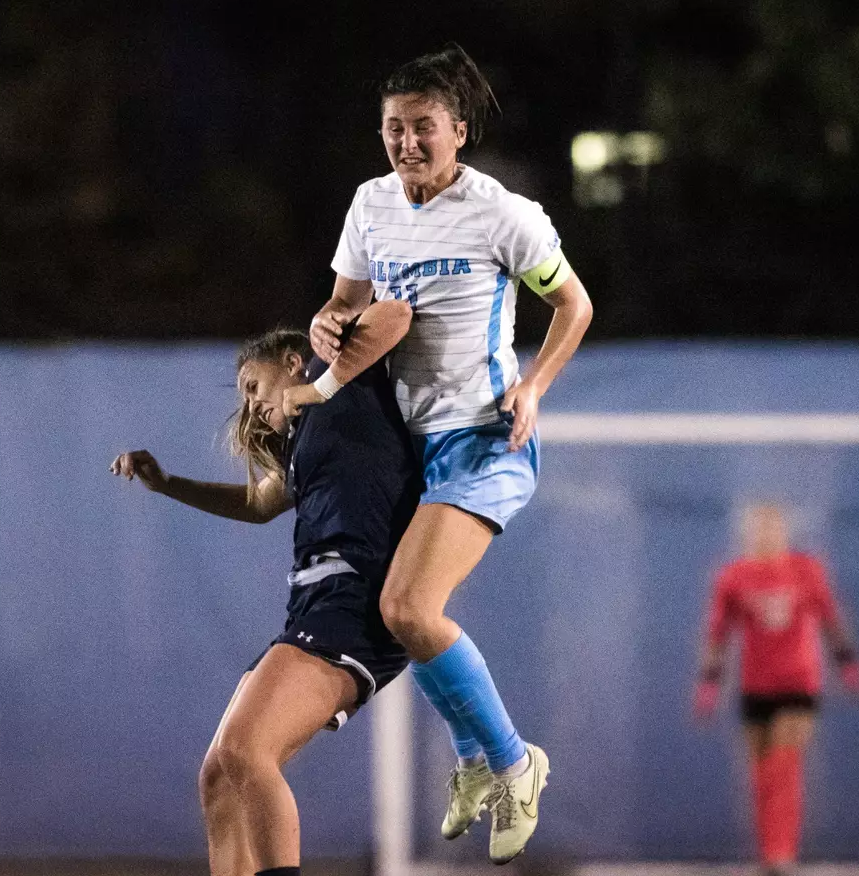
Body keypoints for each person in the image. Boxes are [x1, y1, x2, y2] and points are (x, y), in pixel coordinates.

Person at [309, 44, 594, 862]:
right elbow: (341, 307)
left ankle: (513, 761)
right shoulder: (370, 205)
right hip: (410, 449)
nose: (406, 142)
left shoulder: (503, 212)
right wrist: (329, 324)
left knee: (405, 610)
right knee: (409, 620)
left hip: (484, 440)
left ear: (458, 131)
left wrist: (535, 387)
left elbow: (574, 303)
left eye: (423, 127)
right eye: (393, 128)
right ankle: (471, 758)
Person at [111, 301, 420, 876]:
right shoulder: (307, 438)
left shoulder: (343, 387)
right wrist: (168, 484)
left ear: (292, 361)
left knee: (243, 751)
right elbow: (258, 504)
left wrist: (336, 321)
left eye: (252, 385)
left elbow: (396, 316)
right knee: (221, 778)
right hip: (318, 608)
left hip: (352, 604)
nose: (249, 403)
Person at [691, 502, 859, 876]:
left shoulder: (805, 570)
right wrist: (709, 683)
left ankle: (781, 852)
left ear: (785, 532)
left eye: (773, 529)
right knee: (760, 774)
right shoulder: (734, 577)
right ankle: (768, 855)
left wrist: (847, 663)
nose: (766, 537)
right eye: (759, 530)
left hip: (799, 683)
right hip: (756, 686)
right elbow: (718, 633)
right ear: (748, 536)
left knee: (784, 766)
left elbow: (831, 619)